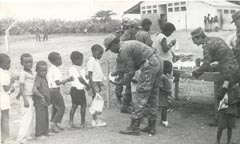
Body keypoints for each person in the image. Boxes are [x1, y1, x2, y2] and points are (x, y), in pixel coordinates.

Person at [104, 34, 163, 136]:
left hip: (149, 65)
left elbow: (130, 72)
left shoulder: (123, 50)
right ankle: (151, 126)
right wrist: (119, 71)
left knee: (140, 95)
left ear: (114, 44)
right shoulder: (128, 45)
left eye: (110, 48)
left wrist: (121, 82)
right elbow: (134, 65)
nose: (111, 51)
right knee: (153, 95)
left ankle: (134, 127)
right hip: (156, 62)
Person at [190, 27, 239, 126]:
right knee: (230, 94)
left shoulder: (207, 45)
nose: (194, 42)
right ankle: (227, 119)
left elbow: (206, 65)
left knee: (220, 94)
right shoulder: (215, 39)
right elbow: (220, 54)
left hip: (227, 70)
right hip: (233, 67)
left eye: (194, 39)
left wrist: (195, 73)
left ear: (199, 37)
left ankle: (220, 121)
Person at [47, 52, 73, 133]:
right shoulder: (55, 70)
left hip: (52, 90)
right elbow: (58, 83)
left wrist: (63, 81)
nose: (61, 60)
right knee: (61, 108)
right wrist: (68, 80)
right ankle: (52, 126)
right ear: (54, 61)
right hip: (54, 91)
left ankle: (55, 124)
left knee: (55, 108)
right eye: (59, 59)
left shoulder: (53, 68)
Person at [16, 53, 35, 144]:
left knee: (30, 117)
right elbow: (21, 87)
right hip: (26, 97)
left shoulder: (31, 72)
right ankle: (21, 138)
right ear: (22, 63)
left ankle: (28, 135)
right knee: (26, 118)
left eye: (30, 62)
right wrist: (25, 100)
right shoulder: (23, 73)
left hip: (31, 97)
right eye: (26, 62)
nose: (29, 64)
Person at [69, 51, 90, 128]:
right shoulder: (75, 69)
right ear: (75, 60)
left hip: (73, 90)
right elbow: (80, 79)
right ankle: (82, 123)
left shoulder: (73, 68)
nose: (82, 61)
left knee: (74, 105)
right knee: (83, 105)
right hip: (79, 90)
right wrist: (87, 85)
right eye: (80, 60)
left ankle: (70, 122)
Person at [87, 44, 106, 127]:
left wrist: (101, 82)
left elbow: (98, 73)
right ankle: (95, 120)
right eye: (99, 53)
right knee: (96, 103)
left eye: (102, 54)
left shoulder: (96, 61)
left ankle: (95, 119)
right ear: (94, 52)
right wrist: (93, 86)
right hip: (93, 83)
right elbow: (90, 75)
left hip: (97, 83)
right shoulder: (91, 61)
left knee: (97, 102)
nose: (100, 55)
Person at [0, 53, 16, 143]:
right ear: (1, 64)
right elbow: (6, 88)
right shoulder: (4, 74)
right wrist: (11, 81)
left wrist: (10, 90)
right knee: (5, 118)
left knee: (3, 118)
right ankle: (6, 138)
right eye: (7, 63)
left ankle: (3, 137)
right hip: (3, 98)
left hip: (2, 96)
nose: (9, 65)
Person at [33, 61, 51, 138]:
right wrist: (41, 97)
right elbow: (34, 90)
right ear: (37, 70)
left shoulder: (44, 78)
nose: (44, 72)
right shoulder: (38, 78)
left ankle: (45, 131)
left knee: (45, 116)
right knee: (40, 117)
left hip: (44, 101)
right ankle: (38, 134)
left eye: (45, 70)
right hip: (40, 101)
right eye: (42, 70)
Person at [158, 61, 172, 128]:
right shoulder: (162, 76)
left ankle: (163, 120)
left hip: (163, 94)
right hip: (162, 94)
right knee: (164, 107)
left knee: (164, 107)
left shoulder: (163, 76)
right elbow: (160, 86)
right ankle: (164, 121)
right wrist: (167, 91)